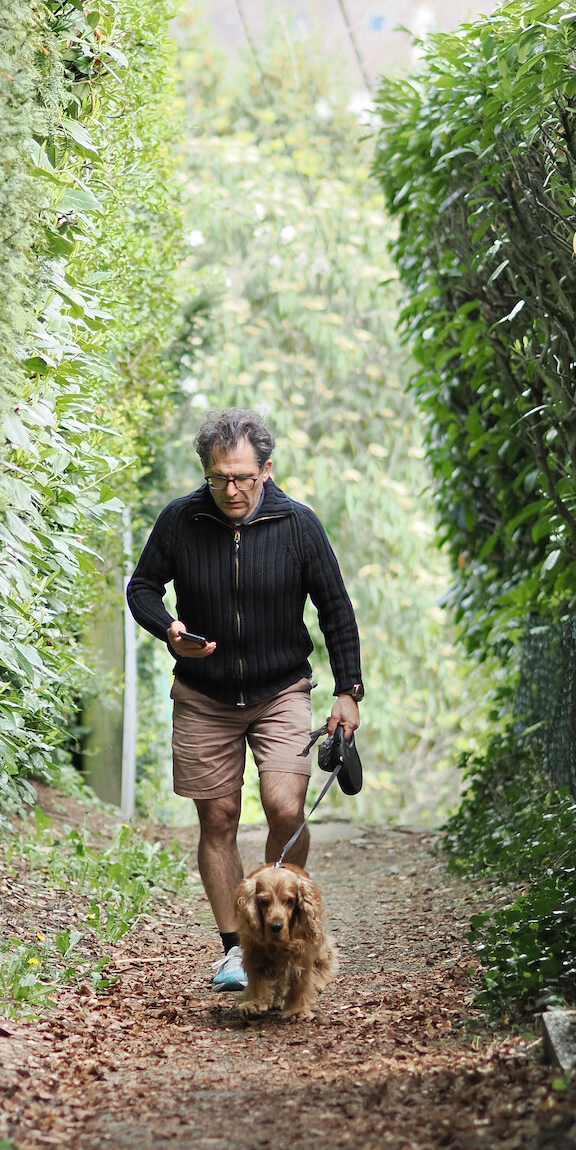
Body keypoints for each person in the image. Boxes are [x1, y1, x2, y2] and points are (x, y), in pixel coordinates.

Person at [126, 407, 363, 992]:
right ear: (206, 472)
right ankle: (237, 950)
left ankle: (292, 929)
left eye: (242, 478)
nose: (230, 490)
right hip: (204, 694)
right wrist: (170, 630)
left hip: (280, 687)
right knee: (219, 817)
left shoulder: (299, 525)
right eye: (218, 478)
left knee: (285, 806)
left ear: (267, 470)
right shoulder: (181, 521)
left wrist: (348, 691)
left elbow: (335, 609)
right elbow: (142, 588)